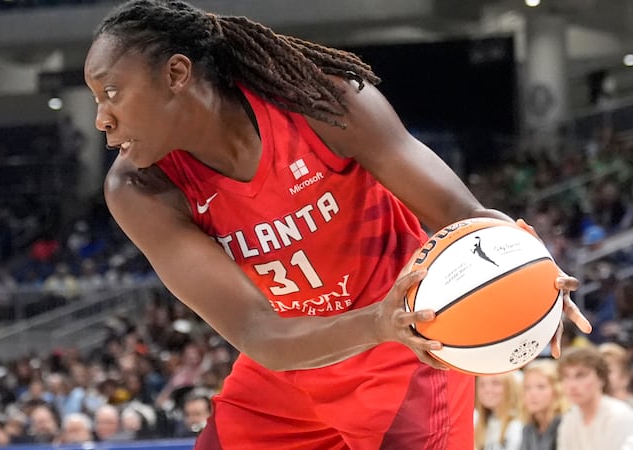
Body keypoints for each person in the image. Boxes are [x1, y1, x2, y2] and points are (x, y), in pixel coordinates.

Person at [84, 1, 592, 448]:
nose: (102, 118)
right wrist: (374, 322)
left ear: (176, 73)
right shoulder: (137, 190)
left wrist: (528, 269)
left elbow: (462, 216)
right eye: (96, 99)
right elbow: (258, 332)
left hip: (409, 347)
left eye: (112, 92)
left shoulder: (321, 102)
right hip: (295, 363)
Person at [556, 346, 633, 450]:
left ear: (601, 378)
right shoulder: (570, 419)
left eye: (581, 375)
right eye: (566, 376)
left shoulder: (620, 417)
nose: (572, 385)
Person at [519, 360, 568, 450]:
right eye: (527, 387)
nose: (532, 394)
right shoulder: (528, 429)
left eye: (541, 387)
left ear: (557, 391)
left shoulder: (565, 426)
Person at [474, 372, 523, 450]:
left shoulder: (517, 425)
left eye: (495, 383)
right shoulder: (478, 423)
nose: (487, 390)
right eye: (482, 385)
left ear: (509, 387)